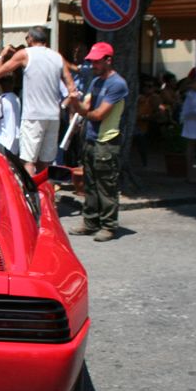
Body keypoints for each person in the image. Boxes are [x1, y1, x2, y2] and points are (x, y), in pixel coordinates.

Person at [0, 26, 77, 175]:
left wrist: (2, 55)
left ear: (30, 38)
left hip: (33, 116)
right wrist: (66, 108)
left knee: (28, 161)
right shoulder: (57, 56)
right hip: (53, 116)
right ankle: (45, 189)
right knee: (45, 162)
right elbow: (72, 88)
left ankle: (31, 190)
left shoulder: (25, 54)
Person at [68, 42, 127, 243]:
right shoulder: (96, 82)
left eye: (97, 61)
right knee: (90, 184)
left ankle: (108, 225)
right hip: (91, 139)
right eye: (92, 61)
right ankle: (91, 222)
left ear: (108, 60)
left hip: (107, 141)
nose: (93, 65)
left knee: (106, 186)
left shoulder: (117, 84)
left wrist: (81, 108)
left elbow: (99, 114)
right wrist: (75, 101)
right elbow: (85, 107)